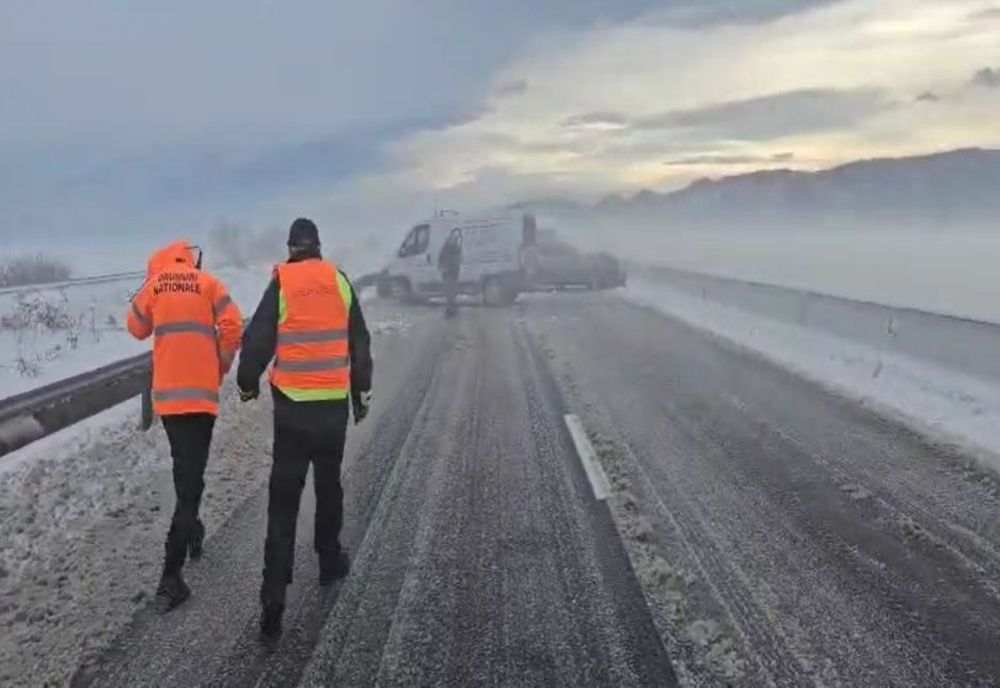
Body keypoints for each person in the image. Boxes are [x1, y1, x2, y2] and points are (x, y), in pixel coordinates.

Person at [237, 218, 373, 639]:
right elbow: (360, 343)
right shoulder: (340, 280)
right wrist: (360, 395)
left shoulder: (282, 283)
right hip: (331, 411)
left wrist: (247, 383)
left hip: (292, 413)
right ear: (318, 246)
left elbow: (257, 337)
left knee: (283, 502)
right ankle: (329, 560)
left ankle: (274, 593)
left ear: (291, 248)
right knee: (329, 486)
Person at [127, 240, 243, 611]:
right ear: (189, 258)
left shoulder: (155, 285)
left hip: (172, 402)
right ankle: (171, 576)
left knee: (185, 469)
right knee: (192, 474)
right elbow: (233, 325)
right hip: (202, 399)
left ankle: (191, 530)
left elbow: (136, 328)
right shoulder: (209, 283)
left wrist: (149, 291)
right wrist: (221, 364)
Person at [437, 228, 463, 317]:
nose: (452, 241)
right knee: (449, 292)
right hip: (449, 273)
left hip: (452, 272)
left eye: (454, 239)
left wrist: (444, 267)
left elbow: (458, 260)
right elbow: (440, 260)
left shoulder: (455, 249)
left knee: (451, 292)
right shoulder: (447, 249)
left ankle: (451, 310)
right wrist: (442, 267)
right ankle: (451, 309)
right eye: (451, 239)